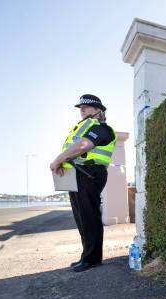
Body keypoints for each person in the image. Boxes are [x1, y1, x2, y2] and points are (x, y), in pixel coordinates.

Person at [50, 94, 117, 272]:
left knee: (89, 217)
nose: (82, 109)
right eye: (81, 107)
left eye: (87, 106)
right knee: (81, 218)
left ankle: (93, 258)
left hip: (90, 173)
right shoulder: (83, 127)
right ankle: (87, 255)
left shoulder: (102, 129)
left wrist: (58, 160)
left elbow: (82, 146)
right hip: (78, 174)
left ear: (98, 111)